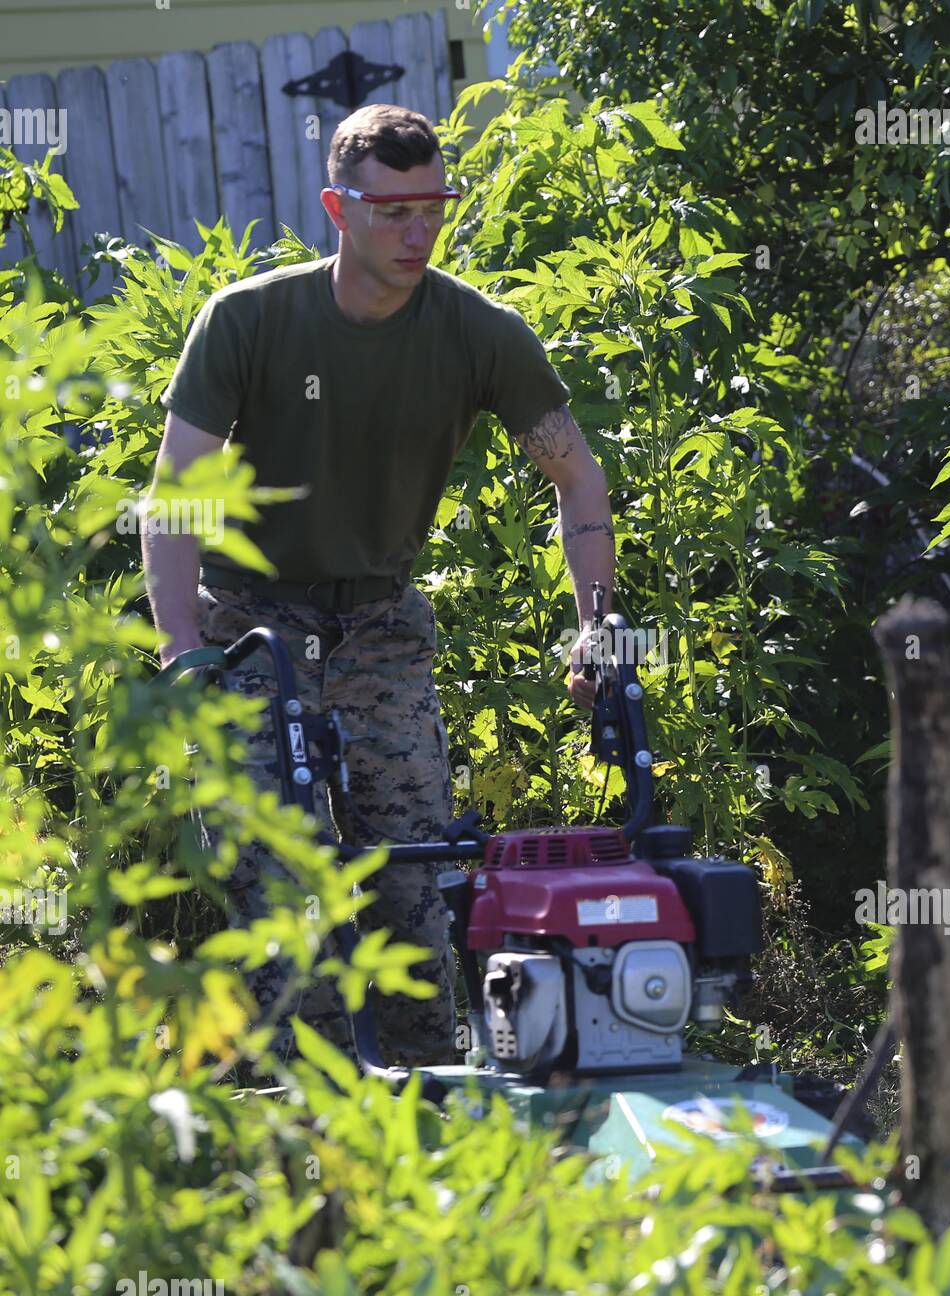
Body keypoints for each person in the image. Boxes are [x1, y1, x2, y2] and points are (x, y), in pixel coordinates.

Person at [142, 104, 615, 1073]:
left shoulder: (479, 332)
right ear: (338, 208)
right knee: (278, 896)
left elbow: (579, 477)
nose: (417, 231)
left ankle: (427, 1102)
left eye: (433, 207)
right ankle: (291, 1123)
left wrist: (596, 631)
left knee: (418, 880)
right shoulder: (249, 320)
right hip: (250, 628)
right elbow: (176, 499)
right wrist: (183, 650)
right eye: (393, 210)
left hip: (381, 627)